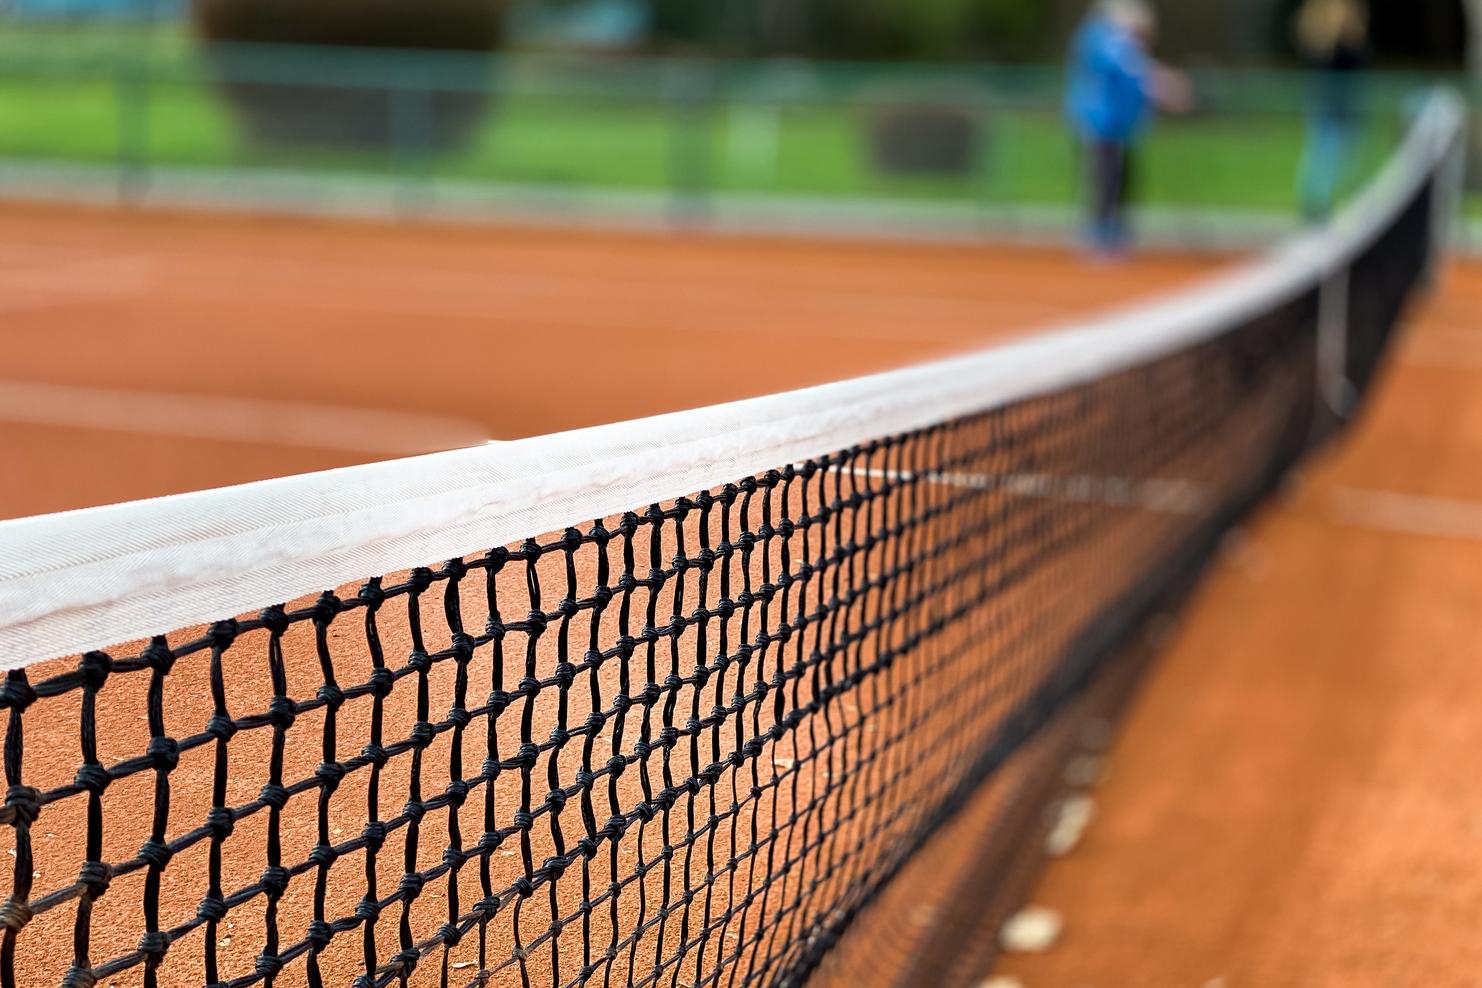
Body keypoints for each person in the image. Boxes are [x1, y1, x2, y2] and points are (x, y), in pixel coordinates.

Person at [1065, 0, 1190, 257]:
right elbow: (1130, 70)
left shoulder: (1124, 45)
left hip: (1123, 128)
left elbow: (1137, 74)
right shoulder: (1103, 39)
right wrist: (1162, 84)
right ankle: (1099, 234)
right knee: (1105, 179)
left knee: (1122, 180)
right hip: (1101, 125)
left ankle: (1115, 231)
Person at [1294, 0, 1368, 222]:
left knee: (1339, 159)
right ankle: (1316, 206)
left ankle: (1332, 205)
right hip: (1331, 108)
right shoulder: (1332, 44)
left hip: (1343, 107)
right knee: (1325, 157)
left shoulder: (1346, 41)